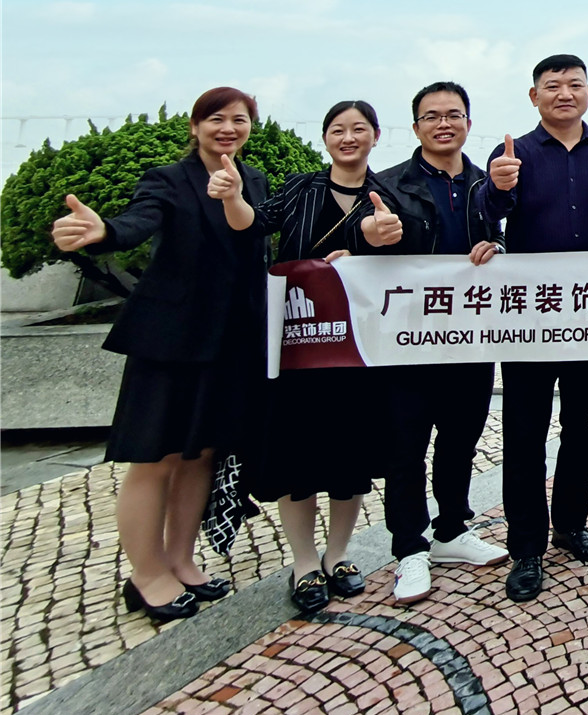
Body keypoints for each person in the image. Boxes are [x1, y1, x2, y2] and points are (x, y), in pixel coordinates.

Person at [52, 87, 271, 622]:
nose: (228, 128)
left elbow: (257, 246)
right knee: (155, 458)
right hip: (171, 340)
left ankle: (180, 561)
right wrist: (104, 231)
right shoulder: (167, 179)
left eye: (239, 119)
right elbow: (138, 221)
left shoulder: (255, 180)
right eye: (215, 118)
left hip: (231, 340)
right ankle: (146, 574)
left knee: (200, 454)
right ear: (195, 127)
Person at [247, 100, 417, 613]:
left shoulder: (389, 196)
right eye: (338, 129)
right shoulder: (300, 188)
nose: (348, 138)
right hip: (298, 349)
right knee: (296, 453)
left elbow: (408, 259)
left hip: (360, 353)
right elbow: (254, 224)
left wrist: (367, 250)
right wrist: (232, 196)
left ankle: (338, 554)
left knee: (351, 454)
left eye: (359, 129)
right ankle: (303, 562)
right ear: (325, 138)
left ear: (376, 136)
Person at [479, 54, 588, 602]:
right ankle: (526, 547)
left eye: (574, 84)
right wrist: (497, 188)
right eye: (552, 86)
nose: (564, 93)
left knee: (580, 427)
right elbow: (489, 216)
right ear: (534, 96)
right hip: (529, 320)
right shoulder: (512, 154)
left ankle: (570, 525)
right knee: (524, 433)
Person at [377, 81, 510, 604]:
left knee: (460, 439)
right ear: (415, 127)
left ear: (468, 124)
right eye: (431, 116)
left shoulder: (485, 185)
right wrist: (369, 239)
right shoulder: (388, 185)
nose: (443, 124)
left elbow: (506, 240)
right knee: (405, 447)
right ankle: (410, 549)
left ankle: (452, 531)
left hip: (471, 338)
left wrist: (497, 244)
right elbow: (371, 246)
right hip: (409, 340)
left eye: (453, 114)